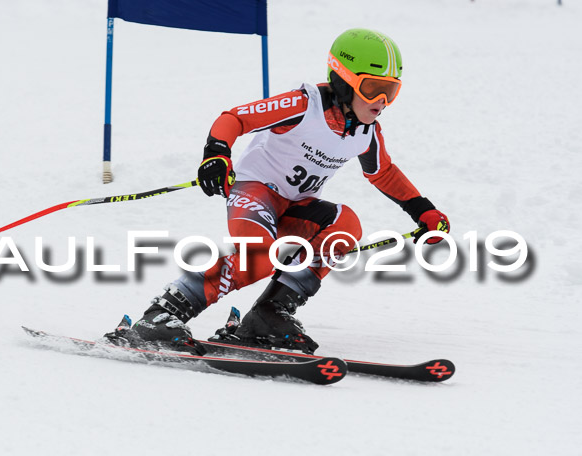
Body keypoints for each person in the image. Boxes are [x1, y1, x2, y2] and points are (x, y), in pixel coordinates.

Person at [105, 28, 450, 354]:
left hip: (295, 207)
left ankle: (269, 315)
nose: (381, 101)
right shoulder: (304, 105)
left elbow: (384, 173)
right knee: (257, 257)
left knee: (345, 225)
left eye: (391, 91)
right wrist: (216, 155)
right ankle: (159, 318)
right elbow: (234, 118)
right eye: (372, 88)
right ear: (343, 80)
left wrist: (424, 212)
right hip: (255, 194)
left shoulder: (366, 132)